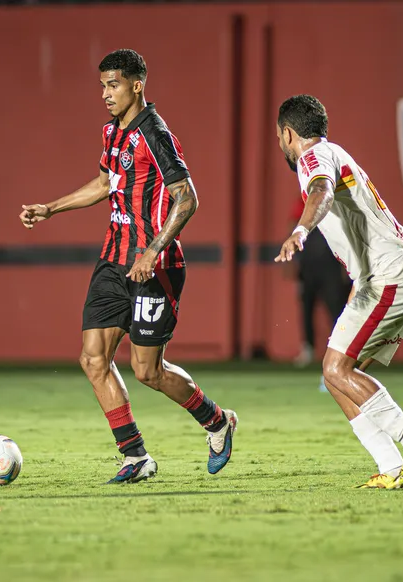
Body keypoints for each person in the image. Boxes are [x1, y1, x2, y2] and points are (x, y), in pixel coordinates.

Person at [19, 49, 237, 484]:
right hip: (113, 262)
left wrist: (152, 251)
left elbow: (187, 198)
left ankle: (217, 422)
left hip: (154, 267)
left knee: (147, 372)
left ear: (137, 85)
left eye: (113, 84)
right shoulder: (111, 132)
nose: (105, 93)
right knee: (93, 358)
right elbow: (104, 183)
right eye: (102, 85)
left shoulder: (155, 133)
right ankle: (135, 456)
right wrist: (51, 208)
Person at [274, 94, 403, 489]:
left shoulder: (312, 158)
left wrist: (300, 230)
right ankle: (390, 466)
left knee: (337, 369)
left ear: (287, 134)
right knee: (336, 375)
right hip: (381, 277)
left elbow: (321, 191)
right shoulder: (334, 152)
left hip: (391, 276)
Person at [288, 198, 352, 367]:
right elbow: (295, 227)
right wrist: (292, 260)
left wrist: (346, 268)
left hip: (330, 266)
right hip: (308, 266)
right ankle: (307, 349)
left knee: (336, 311)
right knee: (306, 309)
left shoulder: (335, 200)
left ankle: (341, 351)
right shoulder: (304, 199)